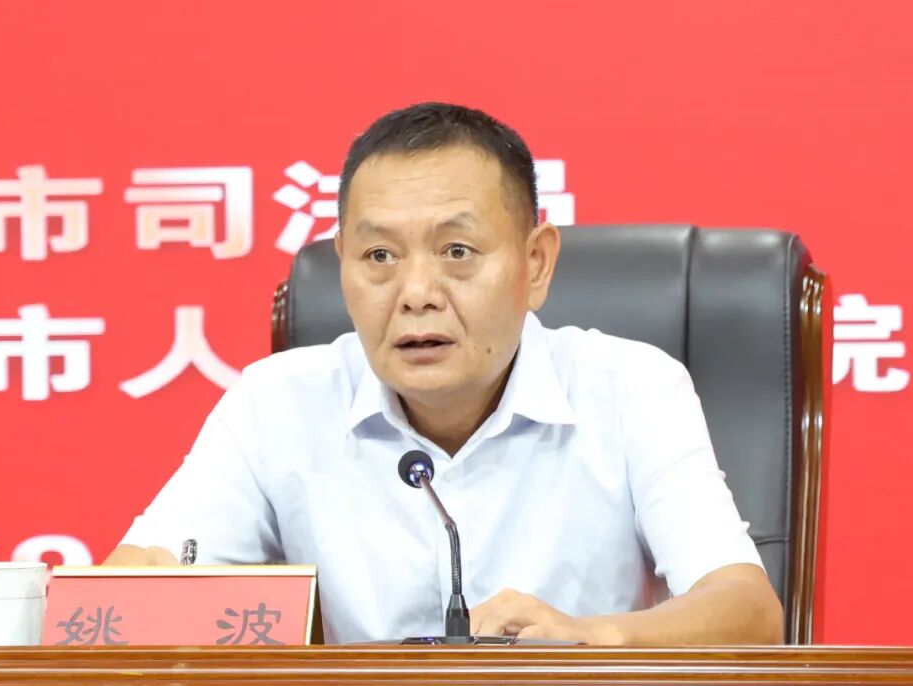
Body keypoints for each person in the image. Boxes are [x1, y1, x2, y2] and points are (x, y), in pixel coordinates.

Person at [105, 102, 784, 645]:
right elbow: (133, 591)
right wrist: (128, 596)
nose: (416, 293)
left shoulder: (632, 389)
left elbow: (745, 609)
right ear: (341, 264)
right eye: (379, 256)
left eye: (457, 251)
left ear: (536, 264)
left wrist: (591, 637)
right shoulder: (275, 403)